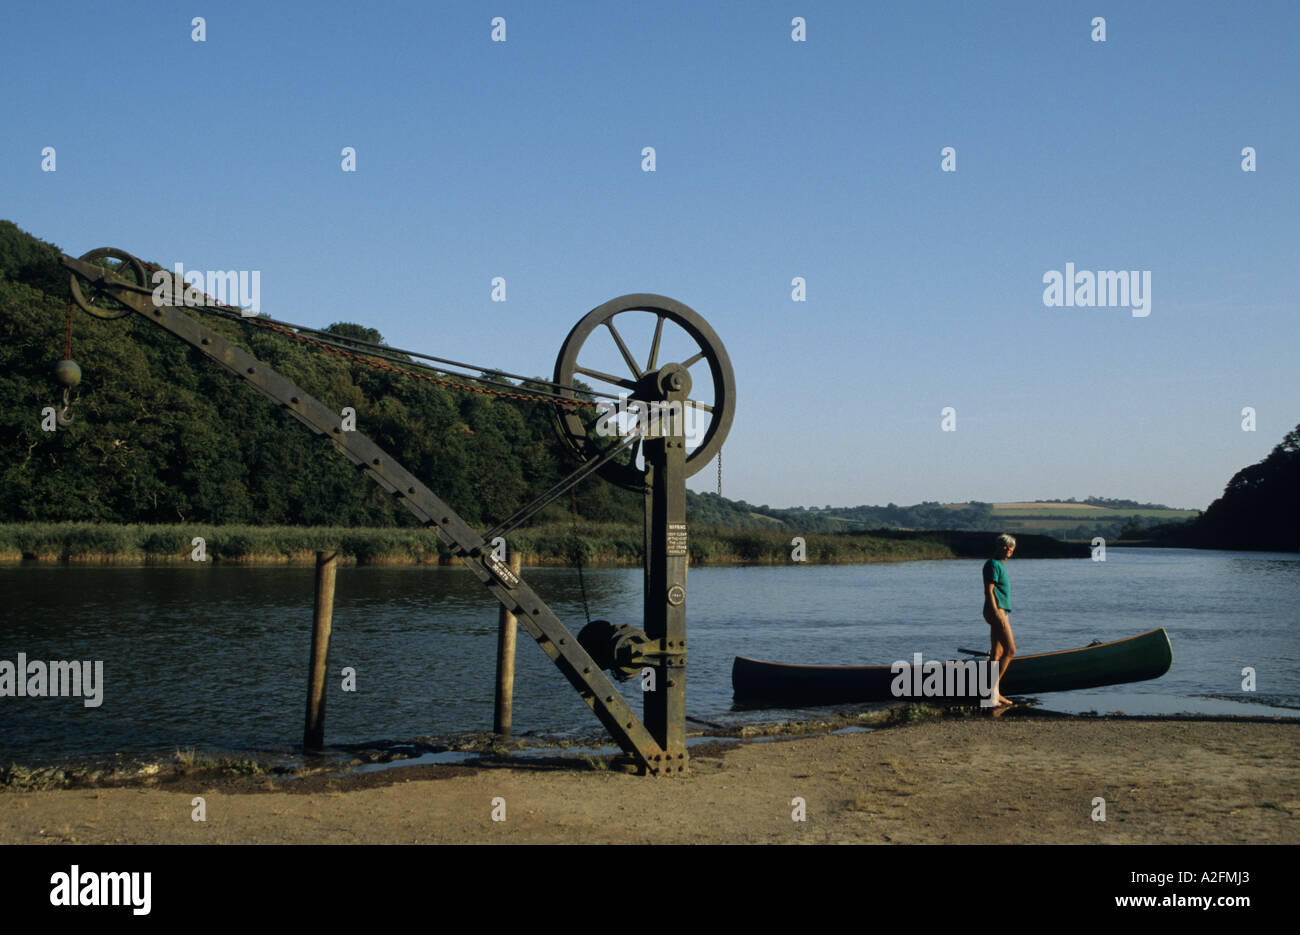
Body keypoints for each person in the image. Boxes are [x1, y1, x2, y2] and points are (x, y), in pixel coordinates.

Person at [982, 534, 1017, 707]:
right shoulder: (992, 564)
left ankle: (992, 693)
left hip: (1001, 612)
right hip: (996, 612)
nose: (1009, 550)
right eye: (1006, 546)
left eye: (1011, 547)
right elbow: (988, 590)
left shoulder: (1000, 566)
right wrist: (996, 612)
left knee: (996, 654)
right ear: (999, 546)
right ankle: (992, 691)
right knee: (1010, 650)